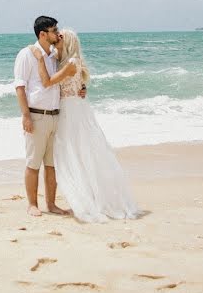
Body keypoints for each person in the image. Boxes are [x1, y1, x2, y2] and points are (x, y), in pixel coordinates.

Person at [30, 28, 140, 223]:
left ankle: (87, 199)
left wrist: (39, 58)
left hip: (71, 112)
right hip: (65, 110)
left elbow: (49, 82)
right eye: (57, 34)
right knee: (72, 156)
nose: (57, 37)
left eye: (61, 36)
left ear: (69, 42)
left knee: (75, 155)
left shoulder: (71, 63)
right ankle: (78, 198)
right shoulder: (59, 59)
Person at [13, 16, 71, 217]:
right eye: (54, 30)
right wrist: (26, 116)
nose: (58, 33)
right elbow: (20, 88)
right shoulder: (26, 54)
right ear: (42, 34)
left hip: (55, 116)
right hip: (36, 116)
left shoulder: (54, 56)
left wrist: (79, 91)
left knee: (51, 164)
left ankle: (51, 204)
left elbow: (61, 82)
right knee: (33, 163)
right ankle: (32, 204)